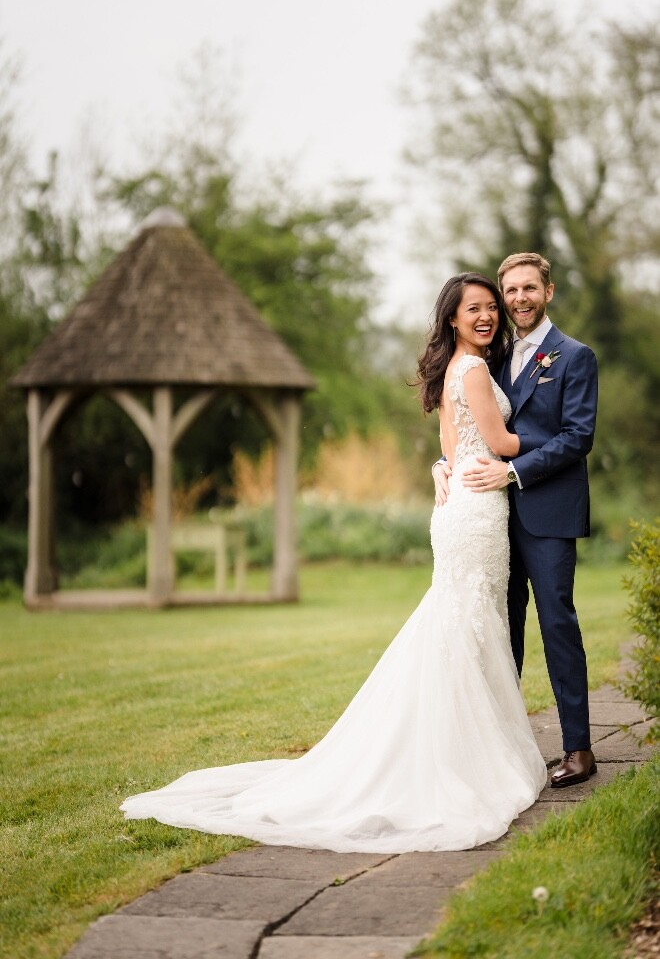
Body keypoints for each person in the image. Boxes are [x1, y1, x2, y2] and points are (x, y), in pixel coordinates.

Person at [121, 272, 547, 852]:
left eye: (491, 307)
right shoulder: (472, 369)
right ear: (452, 317)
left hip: (463, 507)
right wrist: (555, 437)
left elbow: (454, 445)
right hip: (475, 511)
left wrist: (442, 465)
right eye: (474, 308)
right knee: (468, 623)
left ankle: (457, 750)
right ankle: (459, 761)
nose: (487, 316)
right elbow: (499, 444)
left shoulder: (458, 368)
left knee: (464, 625)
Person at [433, 253, 598, 788]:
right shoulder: (491, 355)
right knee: (501, 630)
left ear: (548, 291)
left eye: (529, 288)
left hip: (548, 512)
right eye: (510, 291)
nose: (518, 299)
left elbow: (578, 437)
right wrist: (442, 464)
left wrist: (514, 471)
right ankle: (502, 747)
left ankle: (578, 749)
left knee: (557, 625)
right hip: (491, 517)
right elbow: (466, 420)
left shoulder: (575, 356)